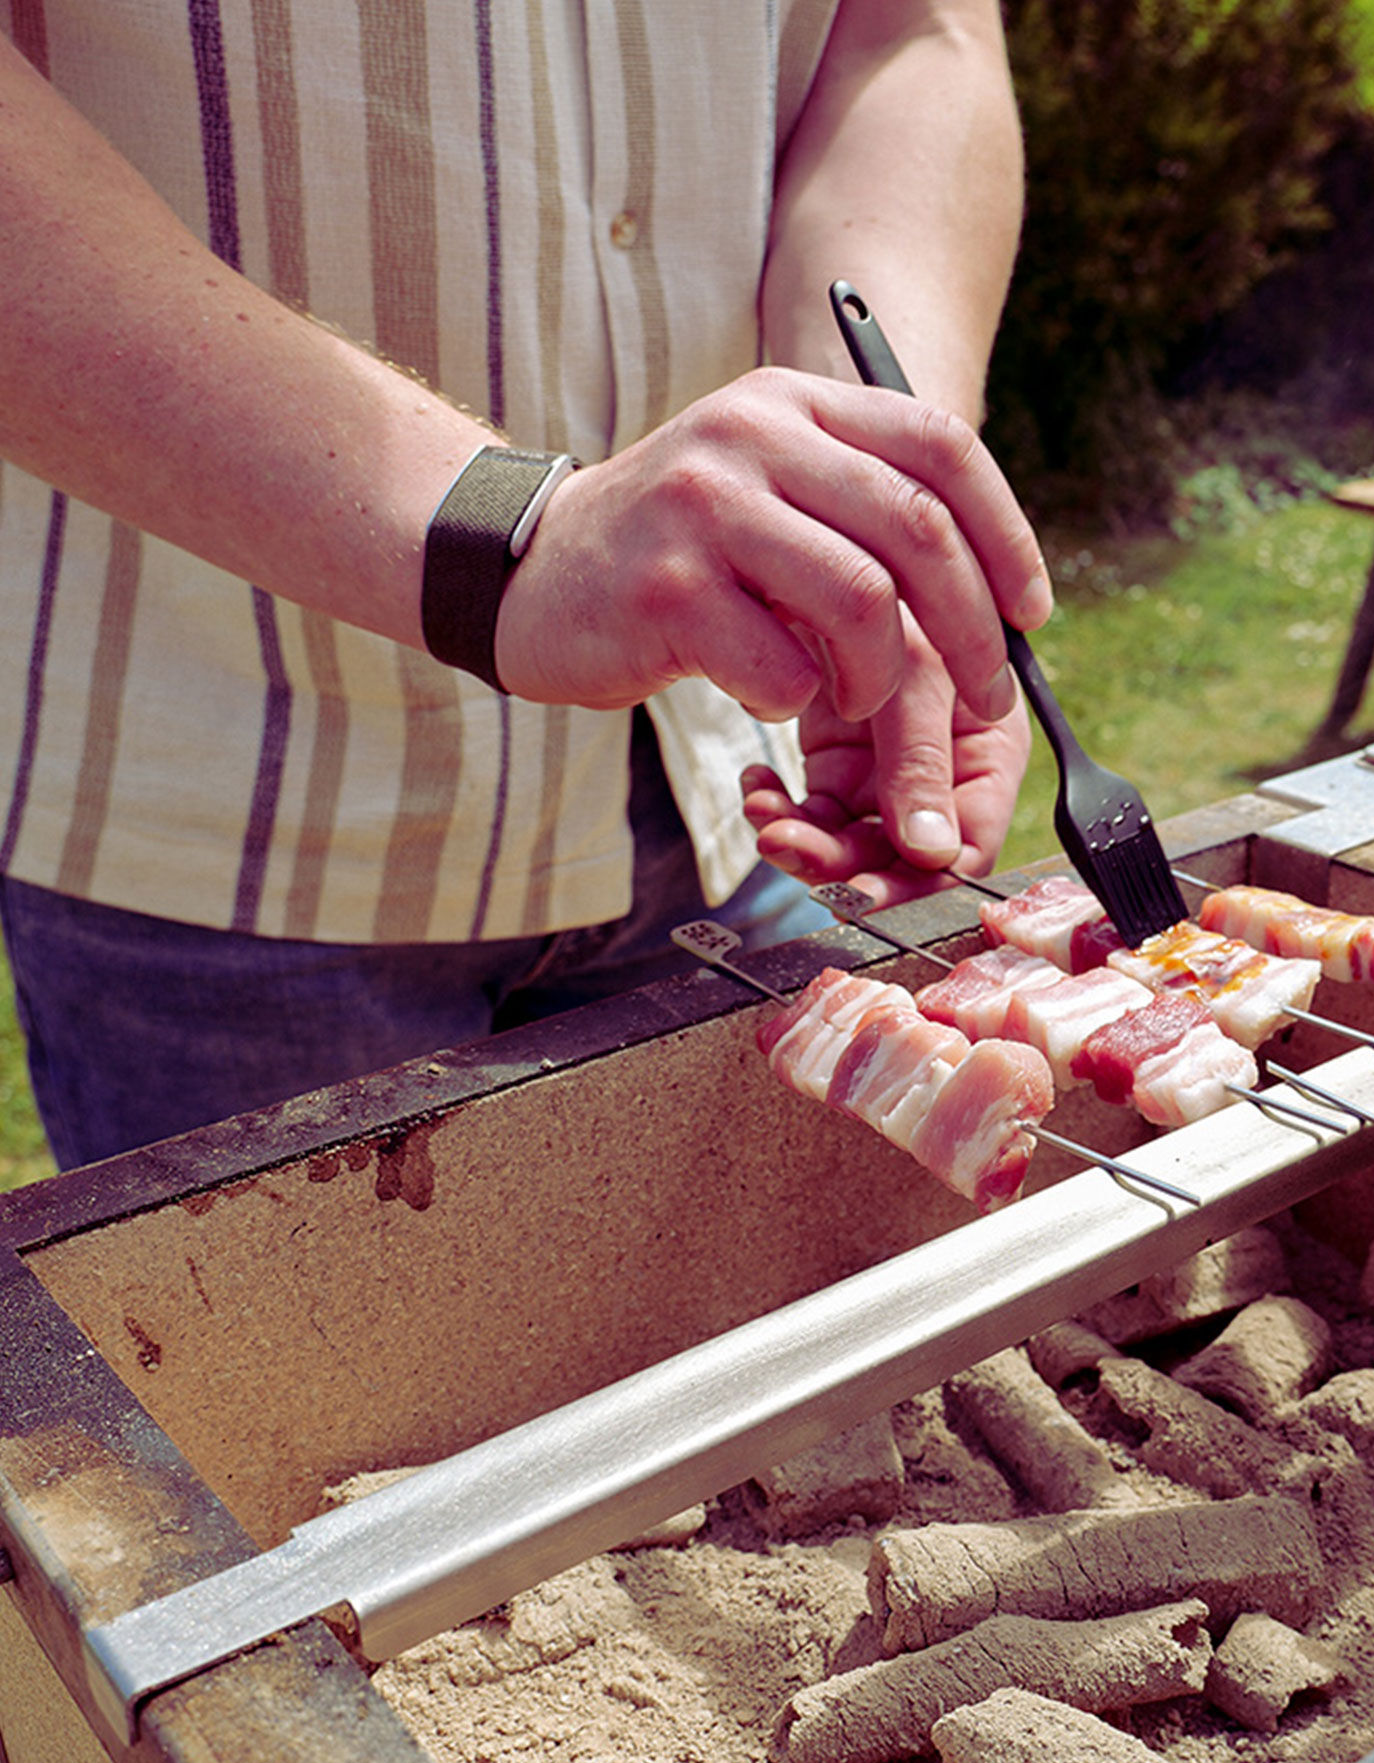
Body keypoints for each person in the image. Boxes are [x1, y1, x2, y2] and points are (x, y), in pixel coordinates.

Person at [0, 0, 1048, 1170]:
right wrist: (503, 537)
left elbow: (907, 30)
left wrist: (852, 523)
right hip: (226, 833)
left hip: (740, 793)